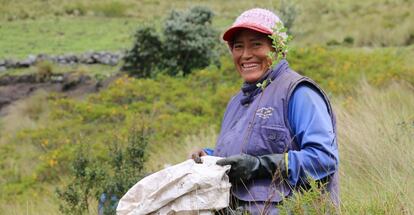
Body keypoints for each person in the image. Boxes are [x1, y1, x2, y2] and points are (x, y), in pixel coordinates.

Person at [189, 8, 339, 214]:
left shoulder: (299, 92)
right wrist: (209, 156)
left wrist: (260, 165)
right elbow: (246, 152)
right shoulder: (236, 103)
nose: (245, 55)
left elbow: (324, 159)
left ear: (278, 48)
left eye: (256, 44)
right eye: (238, 46)